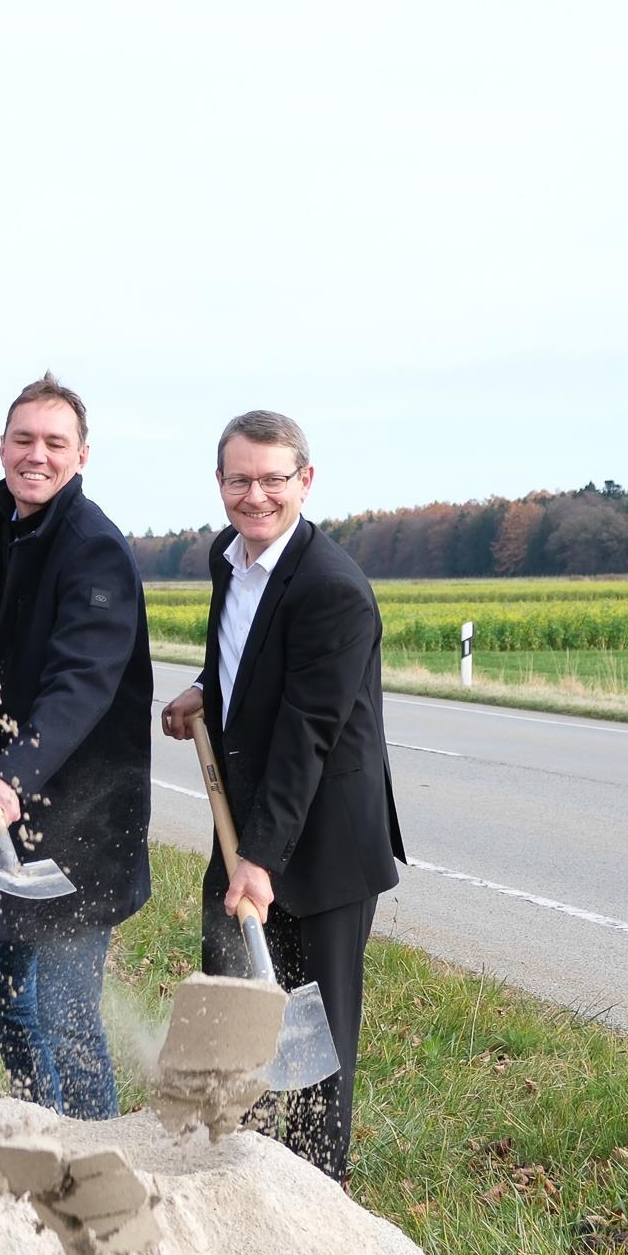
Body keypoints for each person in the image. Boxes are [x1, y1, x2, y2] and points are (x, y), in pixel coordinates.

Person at [160, 409, 404, 1180]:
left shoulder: (333, 589)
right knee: (237, 1016)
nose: (255, 495)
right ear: (221, 482)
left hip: (322, 848)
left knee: (316, 1048)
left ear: (305, 480)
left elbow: (309, 733)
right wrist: (205, 689)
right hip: (247, 829)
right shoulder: (227, 559)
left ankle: (318, 1199)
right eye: (240, 479)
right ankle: (238, 1173)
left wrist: (260, 859)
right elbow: (247, 657)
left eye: (273, 479)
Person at [0, 373, 153, 1117]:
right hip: (12, 815)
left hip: (83, 819)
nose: (37, 454)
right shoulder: (8, 529)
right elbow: (1, 658)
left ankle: (95, 1159)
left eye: (54, 443)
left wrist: (12, 777)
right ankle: (40, 1116)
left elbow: (80, 686)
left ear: (81, 455)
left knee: (66, 1011)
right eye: (24, 439)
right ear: (2, 446)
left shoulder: (95, 553)